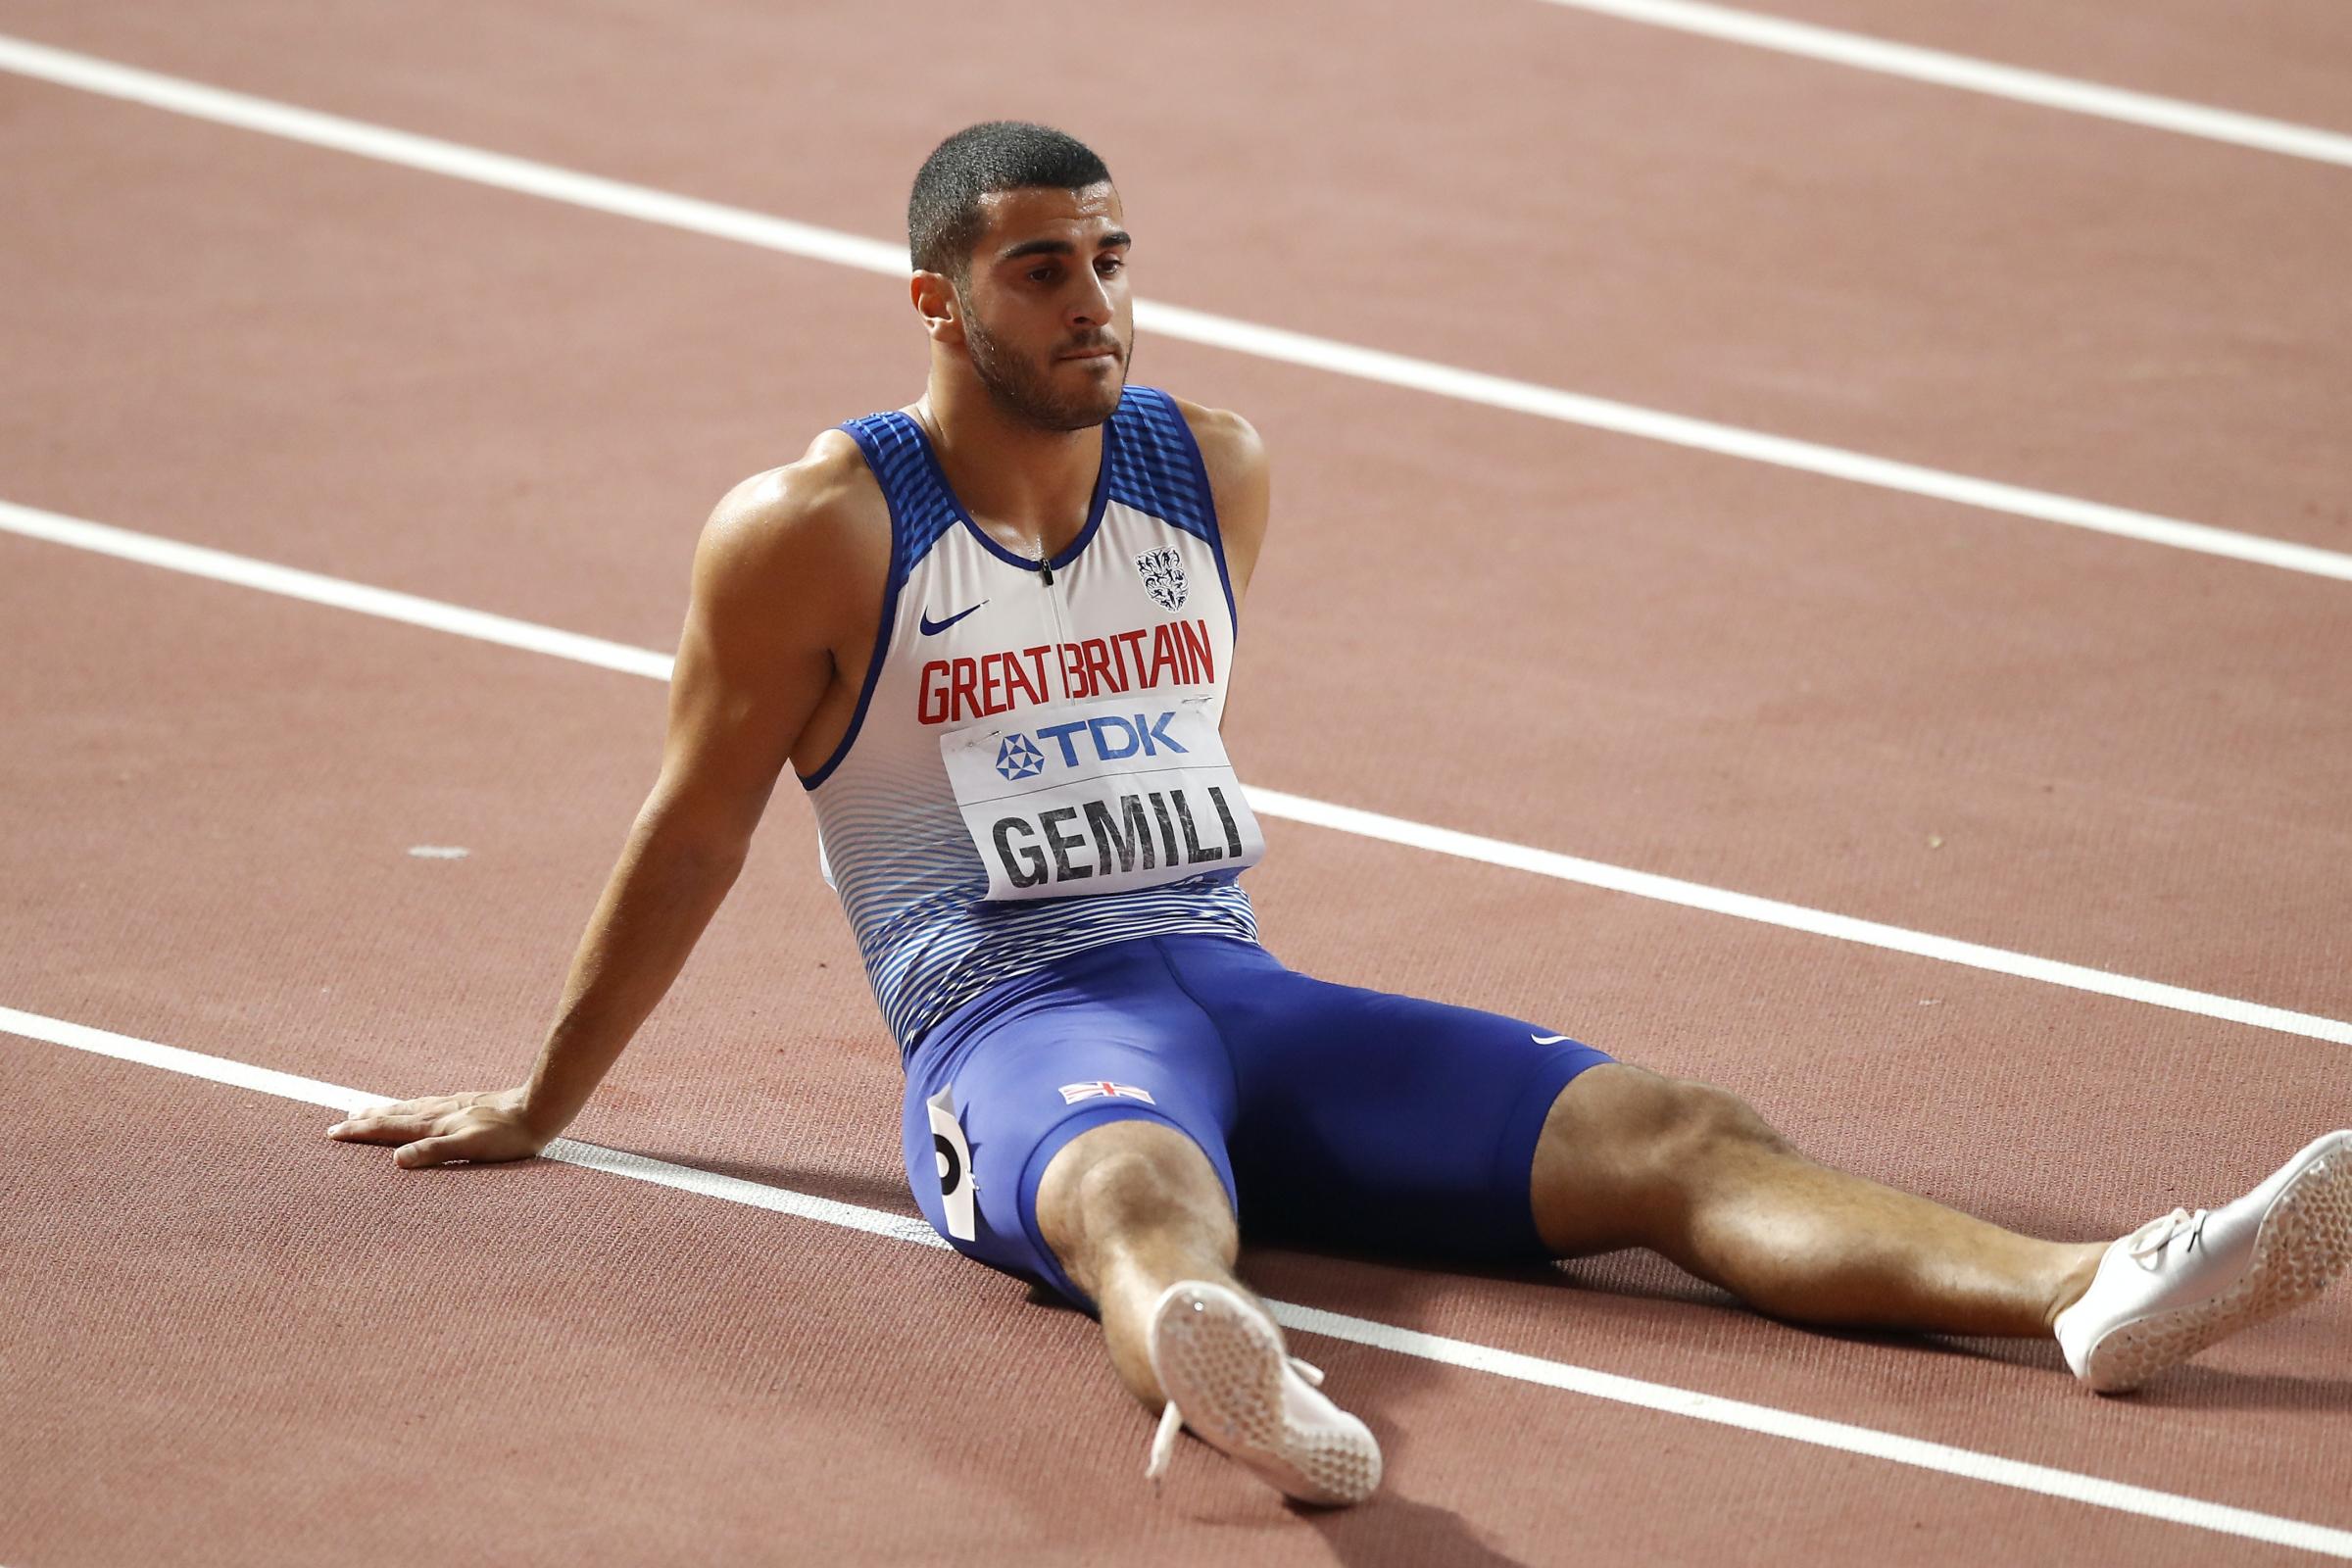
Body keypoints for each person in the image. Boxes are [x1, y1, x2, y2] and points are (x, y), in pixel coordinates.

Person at [326, 122, 2352, 1508]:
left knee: (1675, 1129)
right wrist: (541, 1092)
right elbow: (697, 826)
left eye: (1111, 259)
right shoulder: (813, 532)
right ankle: (1247, 1387)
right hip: (1019, 1027)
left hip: (1236, 985)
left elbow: (1153, 754)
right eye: (1043, 269)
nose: (1094, 299)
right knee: (1133, 1191)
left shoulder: (1210, 468)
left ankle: (2090, 1283)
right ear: (936, 300)